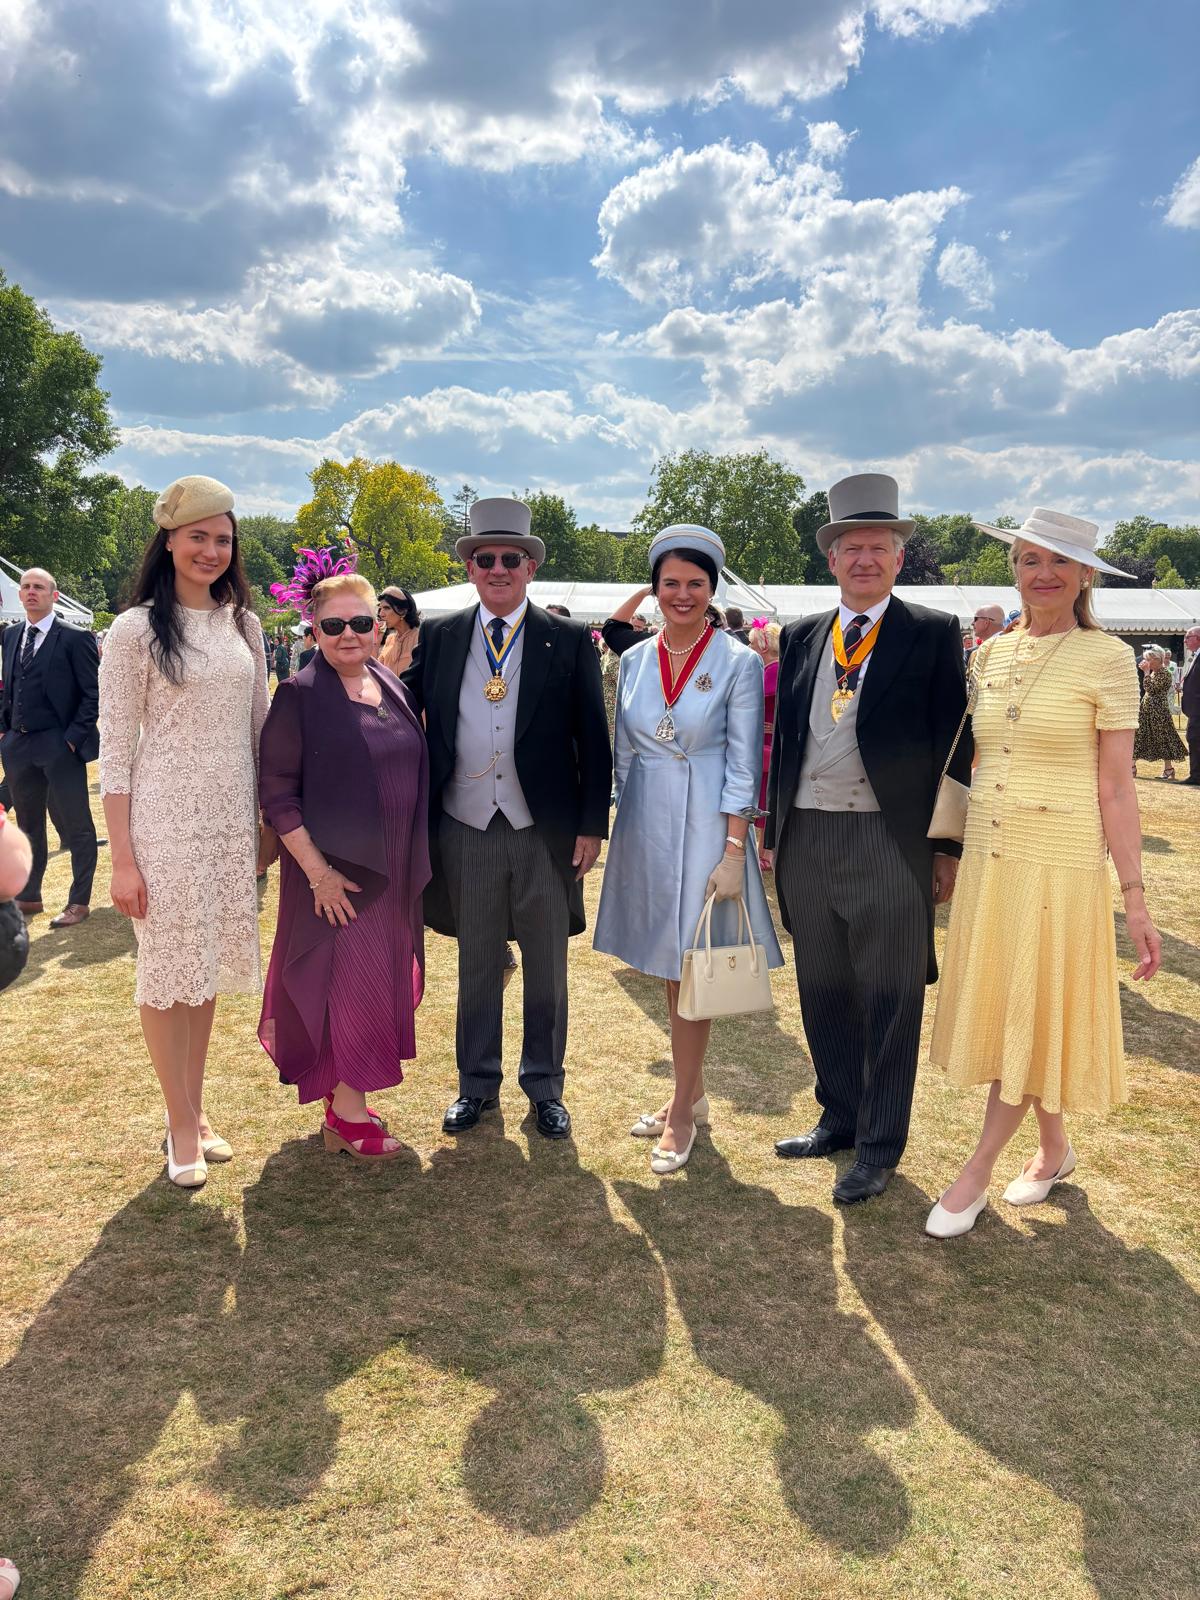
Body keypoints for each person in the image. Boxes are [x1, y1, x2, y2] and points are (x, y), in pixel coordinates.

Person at [925, 508, 1160, 1237]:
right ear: (1014, 569)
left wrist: (1137, 897)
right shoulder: (990, 653)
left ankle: (976, 1171)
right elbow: (975, 760)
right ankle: (1055, 1150)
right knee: (1019, 1007)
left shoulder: (1108, 659)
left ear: (1087, 574)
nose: (1043, 573)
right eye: (1029, 559)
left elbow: (1116, 787)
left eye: (1059, 561)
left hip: (1058, 863)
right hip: (991, 864)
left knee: (1031, 1006)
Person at [765, 473, 971, 1205]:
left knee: (889, 994)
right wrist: (771, 827)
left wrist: (947, 848)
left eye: (878, 547)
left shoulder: (932, 633)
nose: (864, 559)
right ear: (831, 558)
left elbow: (957, 743)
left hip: (891, 839)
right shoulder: (800, 636)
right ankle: (839, 1116)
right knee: (822, 986)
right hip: (808, 836)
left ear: (897, 557)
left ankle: (881, 1144)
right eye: (851, 547)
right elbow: (785, 741)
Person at [402, 497, 612, 1140]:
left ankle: (545, 1085)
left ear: (529, 568)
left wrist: (590, 825)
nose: (498, 568)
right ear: (470, 568)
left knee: (546, 964)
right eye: (485, 558)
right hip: (464, 826)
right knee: (478, 964)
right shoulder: (438, 637)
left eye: (511, 559)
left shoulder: (568, 638)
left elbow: (593, 738)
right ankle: (476, 1085)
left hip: (542, 830)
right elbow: (394, 706)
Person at [594, 527, 783, 1175]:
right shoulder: (639, 658)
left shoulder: (738, 661)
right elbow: (623, 745)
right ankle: (692, 1094)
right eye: (670, 583)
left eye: (695, 585)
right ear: (654, 587)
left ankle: (683, 1112)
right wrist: (619, 817)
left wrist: (735, 848)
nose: (682, 595)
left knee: (696, 969)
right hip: (647, 821)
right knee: (666, 967)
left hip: (708, 824)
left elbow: (741, 765)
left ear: (713, 590)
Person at [99, 476, 270, 1189]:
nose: (211, 550)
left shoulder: (245, 626)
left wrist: (266, 825)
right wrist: (123, 860)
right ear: (169, 540)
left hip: (230, 822)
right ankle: (178, 1124)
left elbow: (261, 730)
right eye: (198, 536)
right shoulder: (134, 629)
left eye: (222, 539)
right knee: (166, 972)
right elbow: (114, 746)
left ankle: (195, 1109)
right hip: (164, 822)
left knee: (202, 972)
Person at [258, 566, 430, 1160]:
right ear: (315, 627)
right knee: (350, 984)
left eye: (363, 622)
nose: (350, 634)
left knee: (376, 980)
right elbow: (278, 796)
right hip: (339, 875)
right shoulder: (300, 695)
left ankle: (345, 1098)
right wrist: (318, 874)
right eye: (335, 625)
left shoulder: (391, 684)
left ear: (379, 626)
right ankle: (348, 1112)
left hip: (394, 866)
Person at [0, 567, 100, 927]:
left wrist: (71, 739)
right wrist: (4, 731)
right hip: (19, 744)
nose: (30, 592)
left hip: (60, 743)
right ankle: (29, 896)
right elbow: (8, 686)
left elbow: (92, 695)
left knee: (77, 826)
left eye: (38, 587)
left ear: (53, 595)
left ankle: (79, 901)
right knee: (28, 825)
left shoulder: (75, 638)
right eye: (25, 587)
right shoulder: (11, 635)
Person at [747, 618, 782, 867]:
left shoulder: (772, 671)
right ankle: (765, 851)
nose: (748, 648)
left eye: (751, 643)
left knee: (765, 799)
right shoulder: (773, 669)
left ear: (763, 646)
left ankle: (765, 853)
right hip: (768, 740)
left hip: (768, 743)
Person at [1133, 646, 1187, 780]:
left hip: (1159, 713)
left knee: (1163, 739)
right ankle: (1132, 766)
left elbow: (1150, 689)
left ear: (1157, 660)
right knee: (1139, 736)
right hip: (1147, 710)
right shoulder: (1155, 672)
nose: (1146, 662)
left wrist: (1145, 672)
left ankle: (1168, 769)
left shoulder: (1164, 673)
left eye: (1148, 659)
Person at [377, 586, 421, 676]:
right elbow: (377, 674)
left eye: (386, 608)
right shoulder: (389, 639)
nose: (381, 614)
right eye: (380, 608)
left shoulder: (420, 638)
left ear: (403, 611)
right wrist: (376, 642)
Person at [601, 592, 653, 656]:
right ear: (629, 624)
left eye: (640, 627)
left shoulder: (645, 641)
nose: (637, 629)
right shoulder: (620, 638)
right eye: (635, 626)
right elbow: (609, 631)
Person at [1181, 625, 1200, 786]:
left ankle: (1196, 776)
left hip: (1198, 710)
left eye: (1188, 637)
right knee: (1194, 739)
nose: (1185, 640)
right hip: (1194, 710)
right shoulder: (1195, 656)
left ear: (1198, 638)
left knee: (1194, 739)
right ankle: (1195, 774)